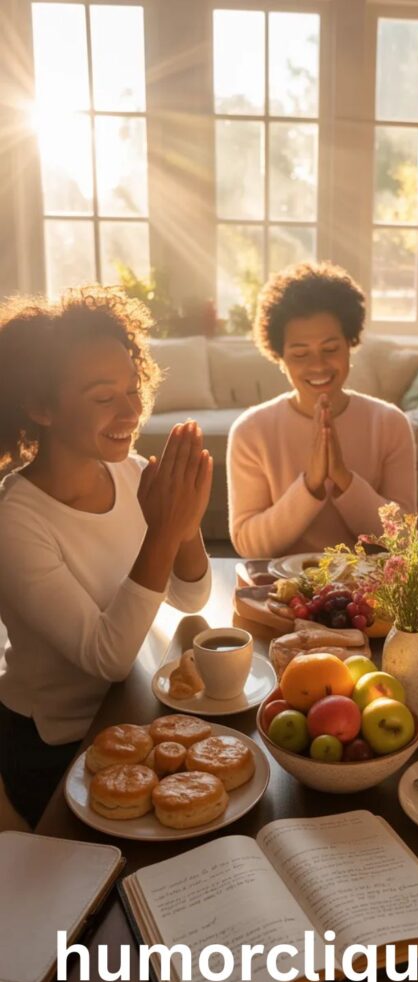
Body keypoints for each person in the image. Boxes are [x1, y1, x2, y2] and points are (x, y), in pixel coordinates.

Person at [0, 287, 213, 827]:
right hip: (60, 744)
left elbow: (191, 595)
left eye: (132, 388)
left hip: (129, 717)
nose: (131, 410)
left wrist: (185, 527)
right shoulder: (17, 520)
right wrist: (162, 532)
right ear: (40, 407)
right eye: (103, 397)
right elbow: (106, 656)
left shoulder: (127, 470)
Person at [228, 261, 417, 557]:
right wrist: (310, 486)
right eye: (300, 353)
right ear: (280, 357)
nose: (317, 365)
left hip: (369, 595)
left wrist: (344, 478)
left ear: (350, 344)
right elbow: (249, 546)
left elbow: (405, 540)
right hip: (281, 595)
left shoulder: (390, 423)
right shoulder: (251, 431)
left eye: (330, 349)